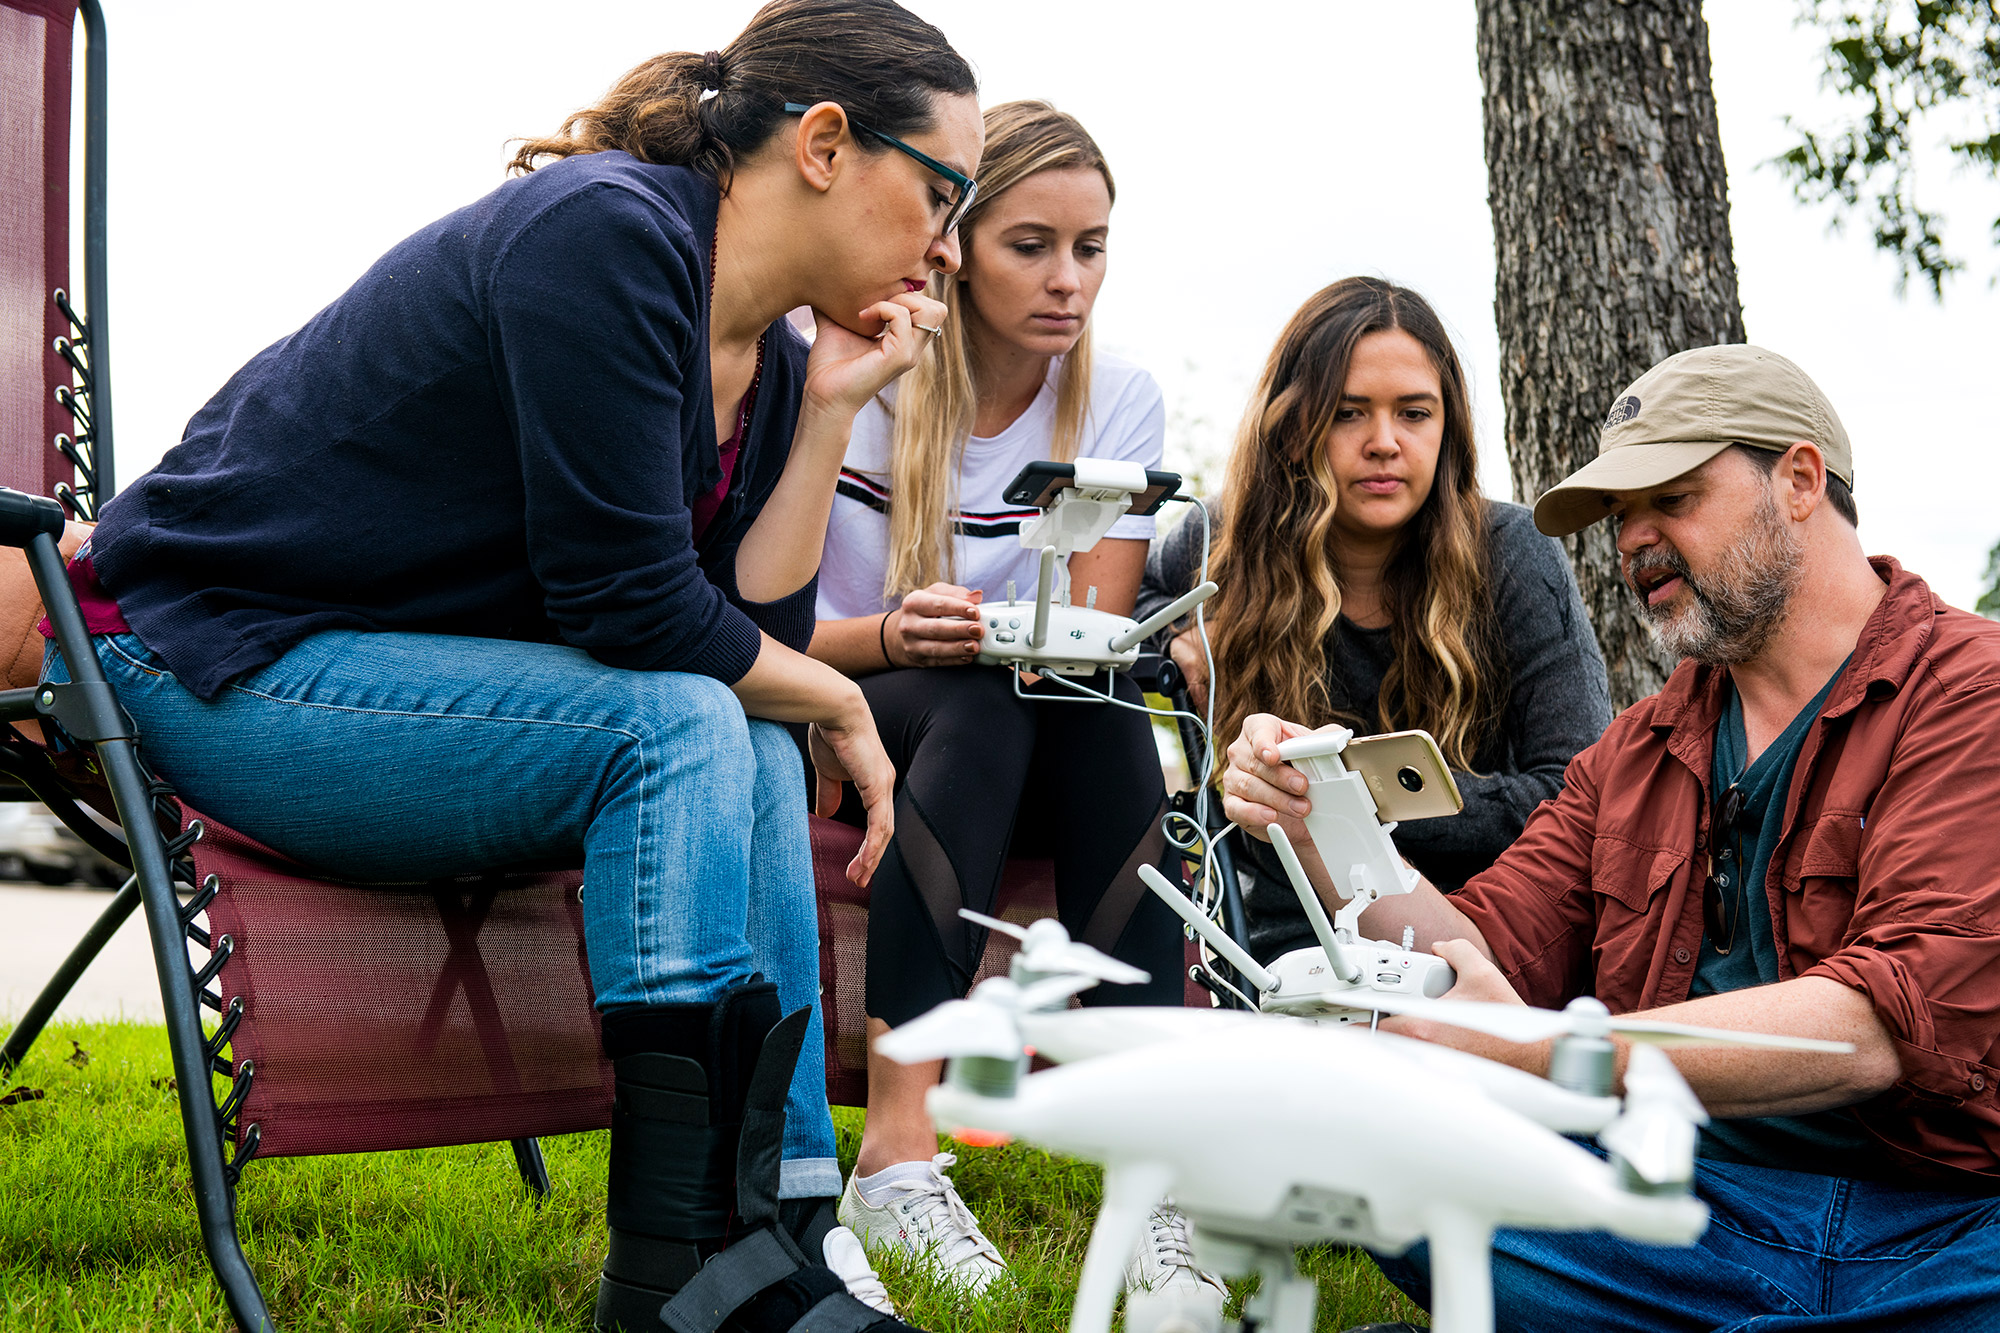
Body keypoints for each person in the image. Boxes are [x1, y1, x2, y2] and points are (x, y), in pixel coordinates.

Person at [44, 4, 983, 1331]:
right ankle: (679, 1268)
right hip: (212, 657)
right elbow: (634, 610)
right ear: (825, 143)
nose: (947, 244)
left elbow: (725, 615)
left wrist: (829, 405)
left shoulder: (764, 356)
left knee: (742, 730)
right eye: (942, 190)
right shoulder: (606, 237)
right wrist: (839, 693)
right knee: (678, 725)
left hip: (391, 685)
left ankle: (784, 1227)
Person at [1225, 344, 2000, 1331]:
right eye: (1618, 517)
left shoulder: (1967, 692)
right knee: (1381, 1150)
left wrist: (1553, 1053)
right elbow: (1472, 957)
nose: (1634, 539)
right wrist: (1318, 820)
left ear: (1798, 480)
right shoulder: (1633, 751)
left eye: (1669, 497)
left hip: (1939, 1233)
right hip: (1669, 1210)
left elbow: (1874, 1028)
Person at [806, 100, 1216, 1315]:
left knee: (1097, 717)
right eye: (1030, 244)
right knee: (981, 708)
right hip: (843, 691)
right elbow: (761, 622)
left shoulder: (1117, 399)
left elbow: (1077, 648)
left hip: (1019, 721)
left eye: (1090, 248)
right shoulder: (859, 374)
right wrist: (887, 634)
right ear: (957, 243)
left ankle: (1148, 1169)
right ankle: (894, 1153)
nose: (1067, 280)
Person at [1137, 277, 1611, 963]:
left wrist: (1348, 796)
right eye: (1349, 412)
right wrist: (1177, 639)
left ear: (1447, 425)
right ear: (1295, 423)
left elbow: (1576, 790)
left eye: (1414, 413)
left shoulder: (1511, 553)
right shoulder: (1222, 540)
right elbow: (1132, 603)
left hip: (1472, 940)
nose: (1385, 442)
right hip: (1274, 947)